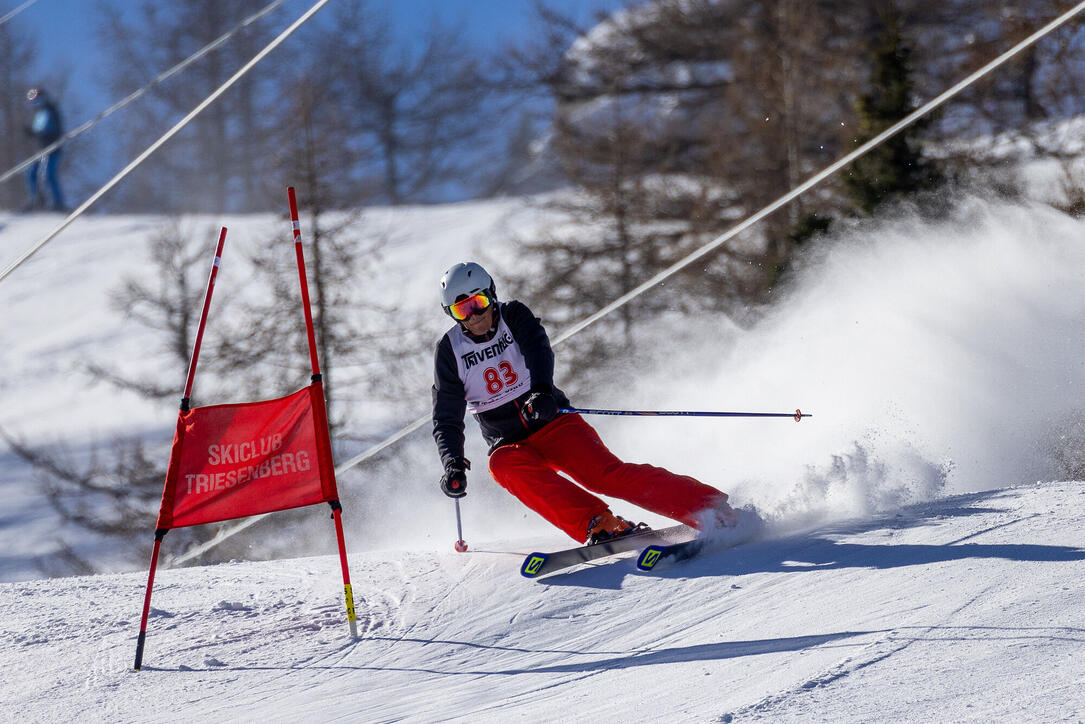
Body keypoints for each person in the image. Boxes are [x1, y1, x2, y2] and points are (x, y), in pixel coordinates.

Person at [431, 261, 736, 545]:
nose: (474, 315)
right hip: (509, 443)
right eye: (462, 310)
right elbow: (446, 415)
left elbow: (538, 349)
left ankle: (708, 508)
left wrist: (541, 392)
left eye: (479, 303)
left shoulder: (514, 315)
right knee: (501, 465)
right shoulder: (450, 351)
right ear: (452, 314)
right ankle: (599, 523)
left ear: (491, 295)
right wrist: (452, 463)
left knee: (603, 475)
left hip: (552, 421)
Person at [23, 87, 67, 212]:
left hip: (53, 149)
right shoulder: (40, 113)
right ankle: (35, 201)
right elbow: (39, 132)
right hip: (42, 150)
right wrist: (32, 133)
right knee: (31, 173)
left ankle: (58, 204)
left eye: (35, 99)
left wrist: (35, 133)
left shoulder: (51, 111)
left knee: (49, 175)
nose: (33, 103)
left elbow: (52, 131)